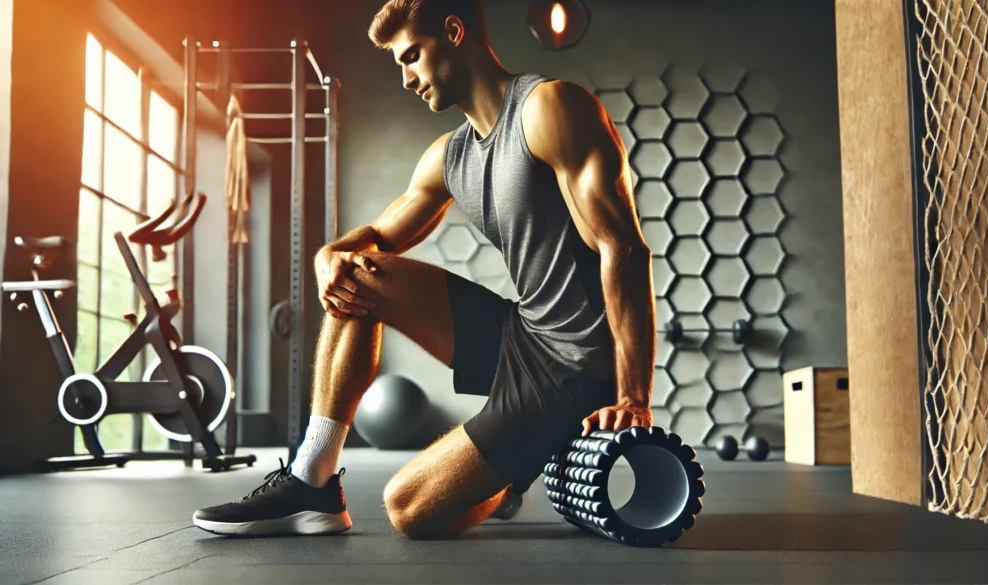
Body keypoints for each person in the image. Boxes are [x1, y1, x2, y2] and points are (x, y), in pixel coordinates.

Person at [192, 0, 655, 539]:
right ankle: (311, 478)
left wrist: (633, 398)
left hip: (575, 369)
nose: (407, 79)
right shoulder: (449, 156)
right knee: (355, 274)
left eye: (412, 56)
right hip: (521, 335)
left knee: (407, 508)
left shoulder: (549, 108)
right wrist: (327, 255)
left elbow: (621, 247)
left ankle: (510, 474)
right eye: (398, 64)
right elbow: (372, 240)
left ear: (454, 33)